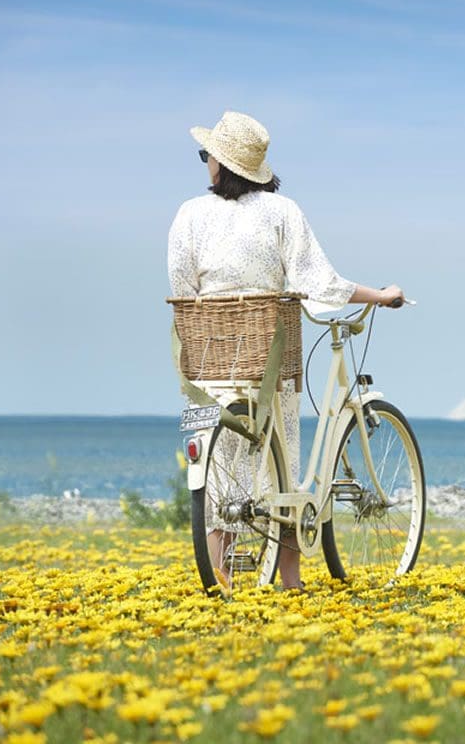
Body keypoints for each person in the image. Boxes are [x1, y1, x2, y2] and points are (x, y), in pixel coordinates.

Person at [167, 110, 404, 590]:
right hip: (270, 354)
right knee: (284, 465)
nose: (205, 162)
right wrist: (380, 295)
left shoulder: (189, 214)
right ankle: (290, 581)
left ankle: (221, 581)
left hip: (209, 359)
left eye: (206, 154)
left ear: (221, 164)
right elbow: (320, 281)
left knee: (218, 476)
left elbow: (181, 287)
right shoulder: (282, 212)